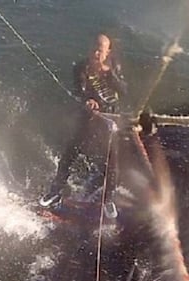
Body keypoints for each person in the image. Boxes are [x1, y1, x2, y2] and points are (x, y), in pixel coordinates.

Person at [40, 33, 127, 207]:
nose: (96, 53)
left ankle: (108, 200)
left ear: (107, 52)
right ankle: (55, 192)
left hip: (109, 118)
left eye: (100, 50)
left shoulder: (114, 67)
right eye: (94, 49)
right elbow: (80, 90)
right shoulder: (81, 67)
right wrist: (87, 100)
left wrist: (109, 74)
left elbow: (124, 91)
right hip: (88, 116)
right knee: (69, 154)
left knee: (111, 161)